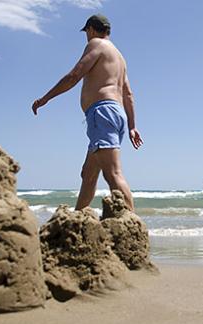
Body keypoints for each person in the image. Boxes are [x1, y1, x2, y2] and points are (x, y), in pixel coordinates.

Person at [32, 14, 142, 211]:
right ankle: (78, 218)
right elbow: (129, 94)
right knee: (88, 174)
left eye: (86, 33)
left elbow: (75, 75)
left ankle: (132, 226)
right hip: (115, 114)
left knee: (113, 174)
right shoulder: (119, 57)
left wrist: (45, 98)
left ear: (91, 29)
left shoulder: (96, 45)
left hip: (102, 113)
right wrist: (132, 126)